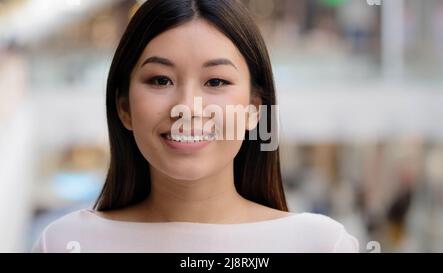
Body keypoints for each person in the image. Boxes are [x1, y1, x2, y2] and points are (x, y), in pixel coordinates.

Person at [32, 0, 358, 253]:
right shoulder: (65, 242)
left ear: (254, 110)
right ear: (124, 107)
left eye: (215, 81)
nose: (187, 107)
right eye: (160, 80)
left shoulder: (321, 245)